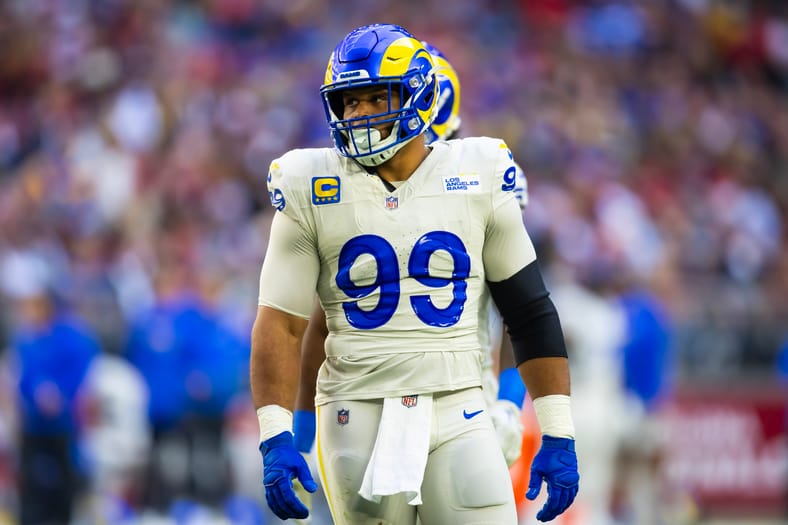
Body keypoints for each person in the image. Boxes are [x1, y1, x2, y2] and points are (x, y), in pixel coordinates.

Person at [251, 23, 579, 524]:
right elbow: (287, 323)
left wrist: (551, 424)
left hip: (461, 400)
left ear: (419, 98)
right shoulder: (308, 182)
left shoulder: (480, 171)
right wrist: (282, 431)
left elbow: (527, 309)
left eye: (373, 98)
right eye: (348, 102)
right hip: (355, 407)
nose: (358, 115)